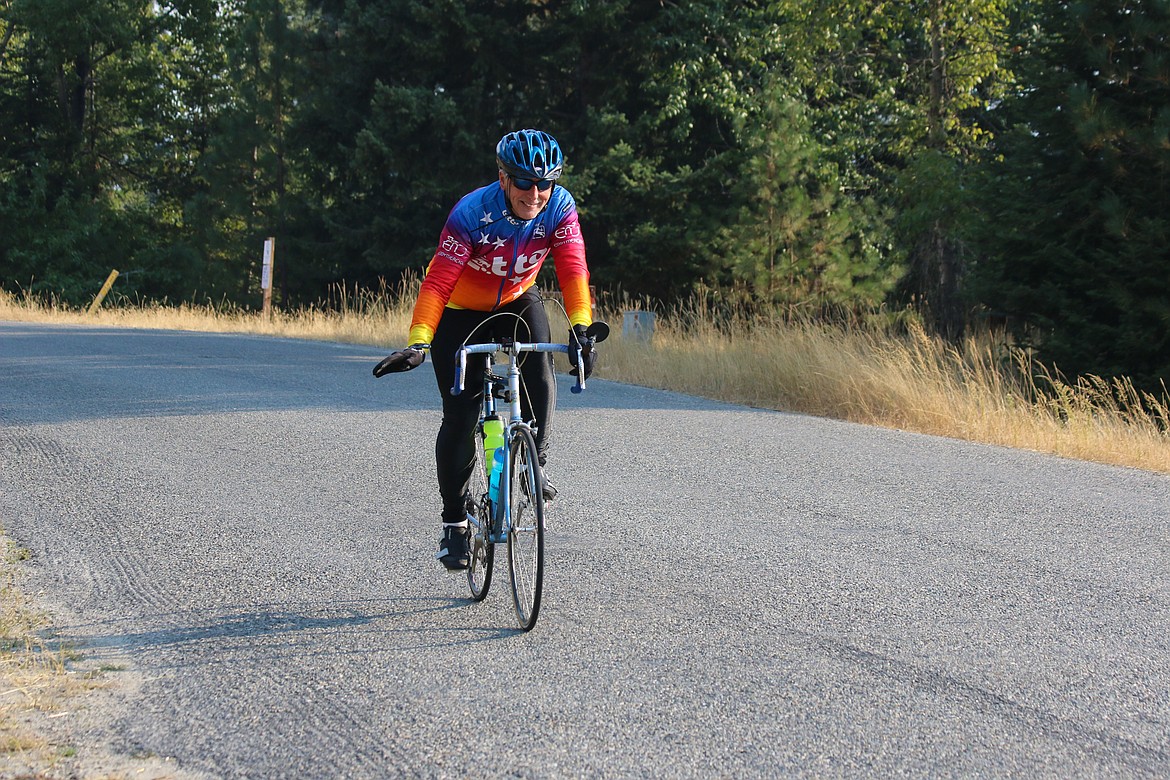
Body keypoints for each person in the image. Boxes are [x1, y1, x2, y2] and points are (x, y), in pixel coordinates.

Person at [374, 129, 597, 570]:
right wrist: (419, 341)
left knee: (540, 375)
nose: (535, 194)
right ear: (503, 178)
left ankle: (535, 466)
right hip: (460, 310)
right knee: (460, 414)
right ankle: (454, 523)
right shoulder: (472, 213)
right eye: (524, 183)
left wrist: (582, 328)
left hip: (517, 300)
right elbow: (437, 283)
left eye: (545, 183)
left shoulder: (559, 207)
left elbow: (574, 271)